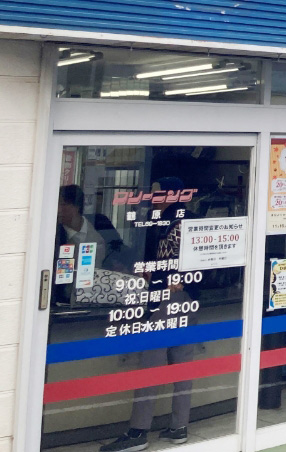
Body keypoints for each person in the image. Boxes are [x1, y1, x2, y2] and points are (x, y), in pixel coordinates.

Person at [101, 178, 197, 452]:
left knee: (150, 362)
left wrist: (161, 277)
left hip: (168, 297)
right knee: (183, 363)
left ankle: (138, 431)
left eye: (157, 193)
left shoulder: (172, 223)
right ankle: (179, 427)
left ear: (172, 195)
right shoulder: (181, 219)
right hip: (190, 299)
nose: (152, 197)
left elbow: (170, 262)